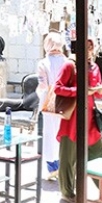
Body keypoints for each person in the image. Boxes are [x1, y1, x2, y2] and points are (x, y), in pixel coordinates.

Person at [54, 38, 102, 203]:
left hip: (90, 117)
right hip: (72, 118)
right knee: (68, 157)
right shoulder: (69, 66)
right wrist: (80, 91)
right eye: (86, 47)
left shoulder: (94, 67)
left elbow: (99, 93)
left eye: (91, 47)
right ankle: (67, 192)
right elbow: (57, 88)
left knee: (97, 155)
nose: (89, 50)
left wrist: (100, 90)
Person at [36, 32, 69, 180]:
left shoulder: (43, 63)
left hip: (50, 102)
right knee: (64, 133)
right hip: (66, 101)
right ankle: (65, 166)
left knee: (50, 134)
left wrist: (39, 95)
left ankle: (53, 168)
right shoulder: (68, 62)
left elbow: (42, 86)